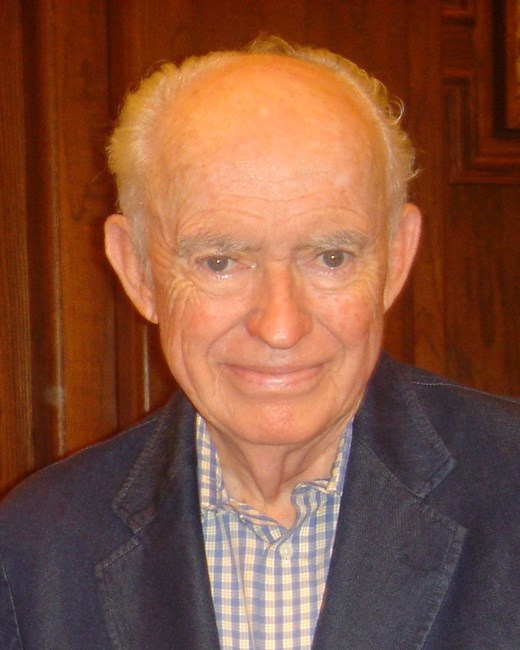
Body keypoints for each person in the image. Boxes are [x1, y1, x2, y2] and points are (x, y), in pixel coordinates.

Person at [1, 35, 519, 650]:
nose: (280, 326)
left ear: (397, 257)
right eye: (220, 262)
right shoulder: (38, 547)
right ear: (137, 271)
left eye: (331, 257)